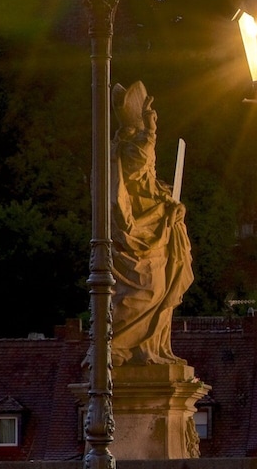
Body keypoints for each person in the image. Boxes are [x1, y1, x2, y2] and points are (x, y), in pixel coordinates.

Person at [109, 81, 193, 366]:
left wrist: (172, 206)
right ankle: (128, 346)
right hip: (138, 235)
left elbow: (151, 186)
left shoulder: (133, 146)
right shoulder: (127, 149)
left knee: (166, 286)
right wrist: (151, 131)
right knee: (150, 288)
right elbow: (139, 165)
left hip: (156, 229)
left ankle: (152, 348)